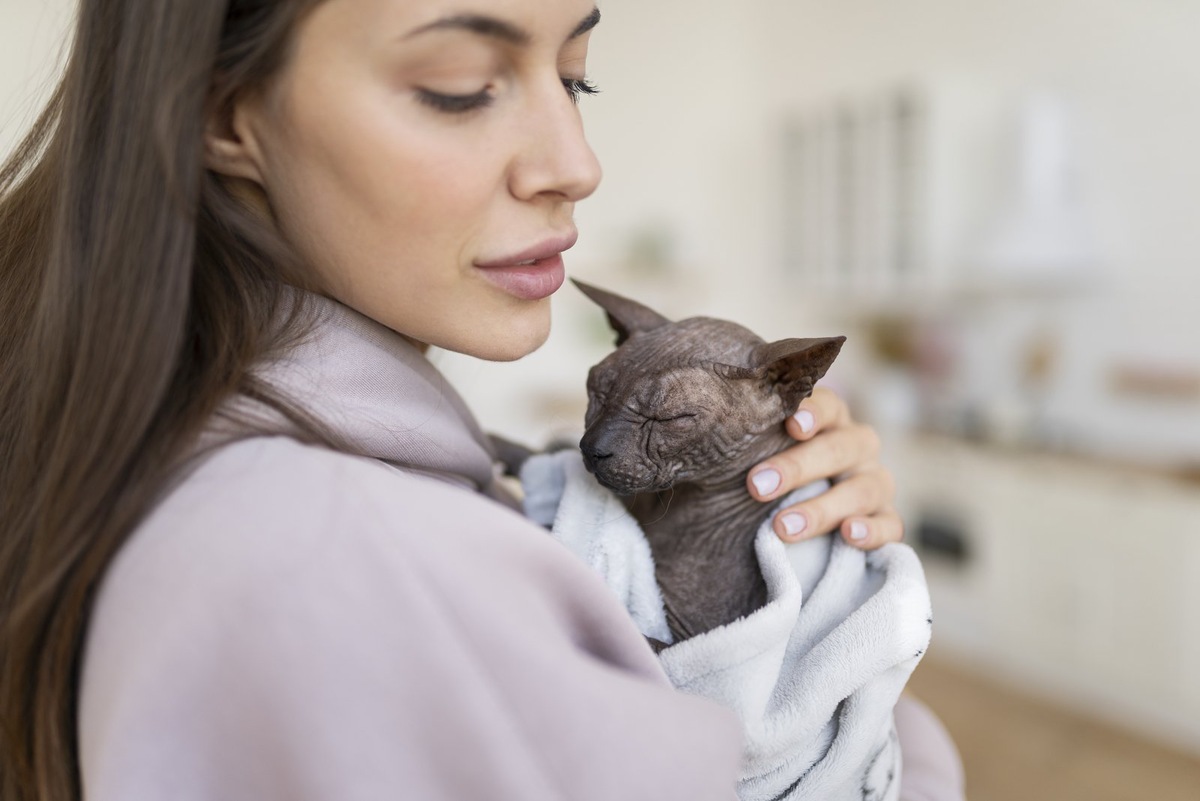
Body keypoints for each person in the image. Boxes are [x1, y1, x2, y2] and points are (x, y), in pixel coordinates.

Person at [0, 1, 961, 799]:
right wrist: (884, 716)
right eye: (459, 88)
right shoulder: (338, 554)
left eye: (575, 76)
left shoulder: (206, 450)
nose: (576, 163)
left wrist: (787, 546)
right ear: (225, 115)